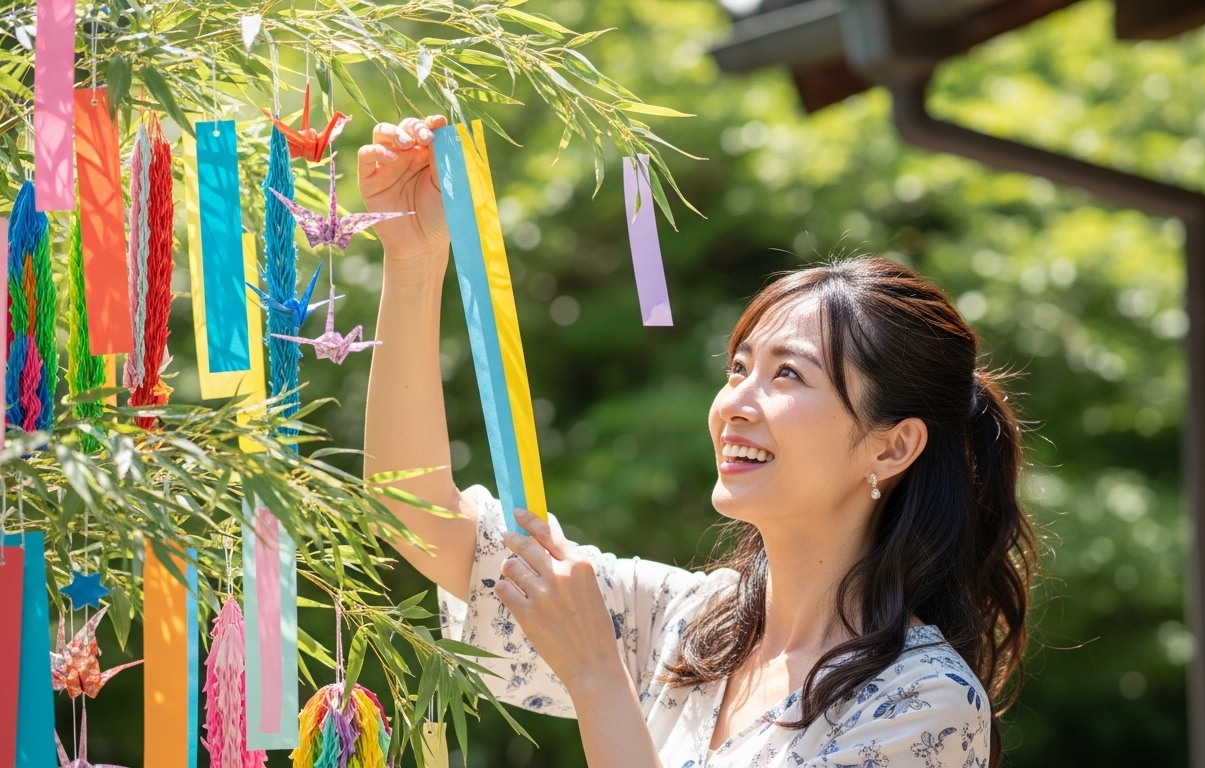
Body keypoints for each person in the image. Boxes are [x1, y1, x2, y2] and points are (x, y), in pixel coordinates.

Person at [360, 115, 1036, 768]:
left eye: (788, 375)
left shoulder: (923, 703)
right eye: (739, 369)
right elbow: (413, 510)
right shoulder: (690, 624)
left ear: (892, 447)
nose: (736, 403)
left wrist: (597, 675)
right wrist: (414, 259)